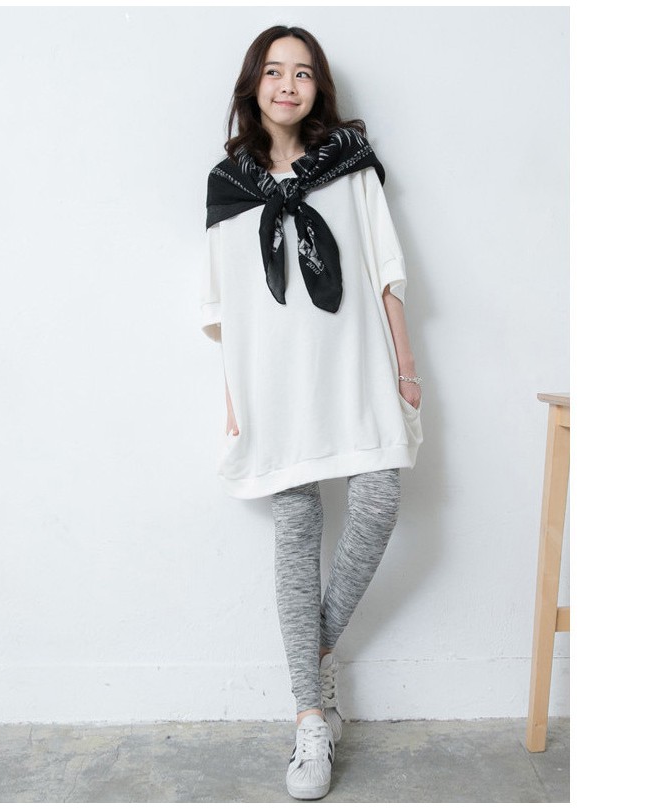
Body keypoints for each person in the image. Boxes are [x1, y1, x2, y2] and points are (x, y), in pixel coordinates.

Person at [200, 24, 423, 801]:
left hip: (355, 368)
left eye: (301, 73)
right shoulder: (227, 185)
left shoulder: (349, 166)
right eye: (273, 71)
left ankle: (315, 656)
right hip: (272, 383)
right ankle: (309, 719)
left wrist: (404, 365)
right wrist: (234, 400)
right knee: (296, 530)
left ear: (318, 88)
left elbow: (385, 268)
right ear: (253, 85)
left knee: (378, 500)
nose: (287, 84)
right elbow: (223, 306)